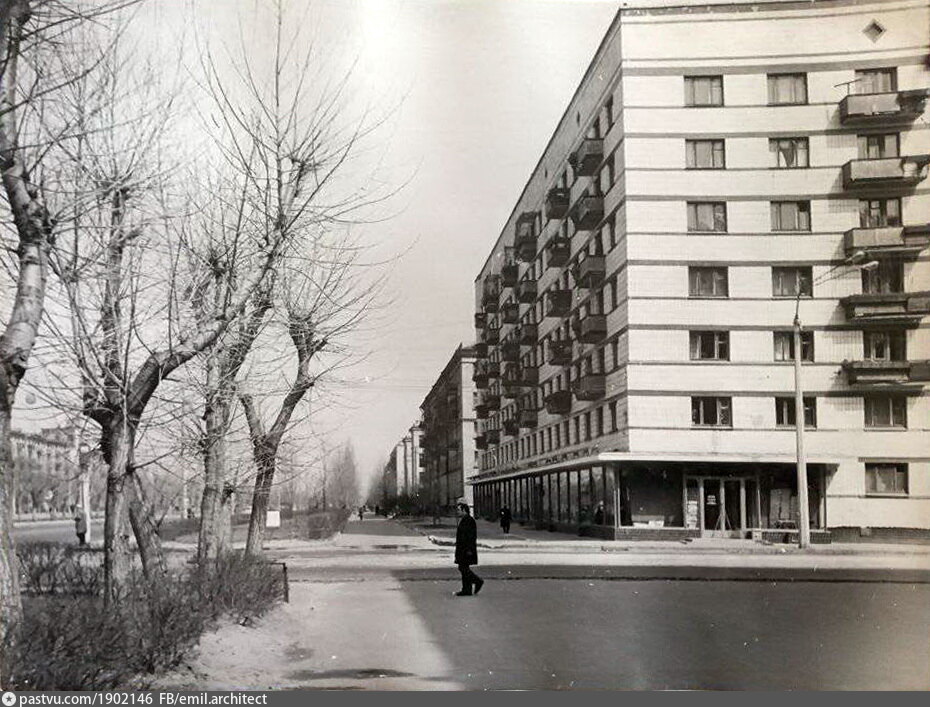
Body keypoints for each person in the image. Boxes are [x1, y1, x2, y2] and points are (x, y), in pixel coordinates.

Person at [454, 500, 483, 597]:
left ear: (464, 510)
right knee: (463, 568)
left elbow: (471, 536)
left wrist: (469, 550)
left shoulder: (469, 520)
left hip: (466, 549)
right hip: (463, 548)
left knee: (463, 568)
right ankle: (467, 589)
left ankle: (477, 581)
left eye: (459, 510)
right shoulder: (464, 520)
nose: (457, 512)